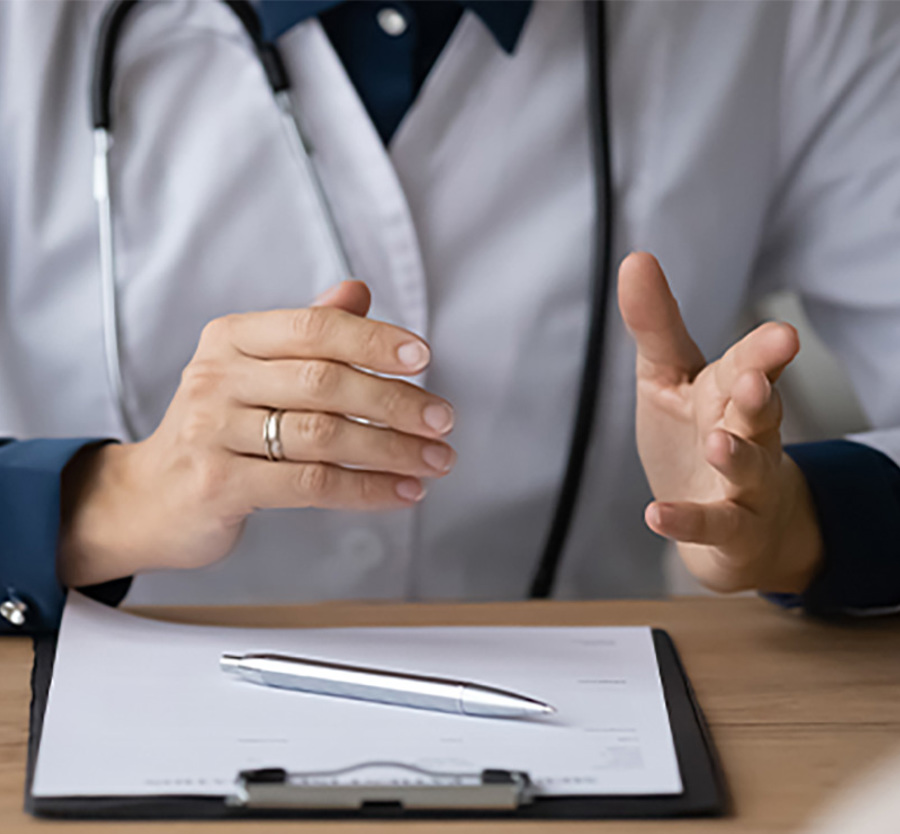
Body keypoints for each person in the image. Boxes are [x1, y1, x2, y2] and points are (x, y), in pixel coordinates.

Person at [1, 0, 900, 634]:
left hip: (585, 754)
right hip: (96, 743)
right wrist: (100, 502)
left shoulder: (798, 20)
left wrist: (801, 527)